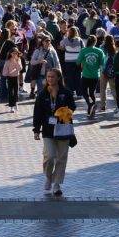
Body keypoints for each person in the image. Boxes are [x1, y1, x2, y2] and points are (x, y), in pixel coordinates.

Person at [32, 67, 78, 198]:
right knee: (50, 156)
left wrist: (66, 111)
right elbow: (37, 113)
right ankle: (48, 176)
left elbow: (72, 107)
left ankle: (57, 184)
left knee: (62, 158)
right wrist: (36, 129)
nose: (50, 79)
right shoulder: (42, 94)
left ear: (58, 78)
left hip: (63, 128)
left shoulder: (66, 92)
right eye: (48, 77)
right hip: (48, 130)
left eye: (53, 77)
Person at [76, 35, 106, 118]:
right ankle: (91, 108)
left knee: (84, 92)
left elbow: (77, 62)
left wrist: (83, 62)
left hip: (85, 74)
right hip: (95, 75)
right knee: (92, 92)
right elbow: (102, 63)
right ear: (95, 42)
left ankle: (90, 104)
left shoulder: (84, 50)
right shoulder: (99, 51)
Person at [3, 47, 24, 111]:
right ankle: (11, 106)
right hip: (9, 78)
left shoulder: (19, 60)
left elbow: (20, 69)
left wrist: (17, 62)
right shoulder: (7, 61)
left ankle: (16, 103)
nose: (14, 54)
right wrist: (7, 73)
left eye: (16, 53)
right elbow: (4, 71)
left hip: (15, 77)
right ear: (10, 53)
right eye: (13, 53)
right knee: (10, 92)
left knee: (16, 91)